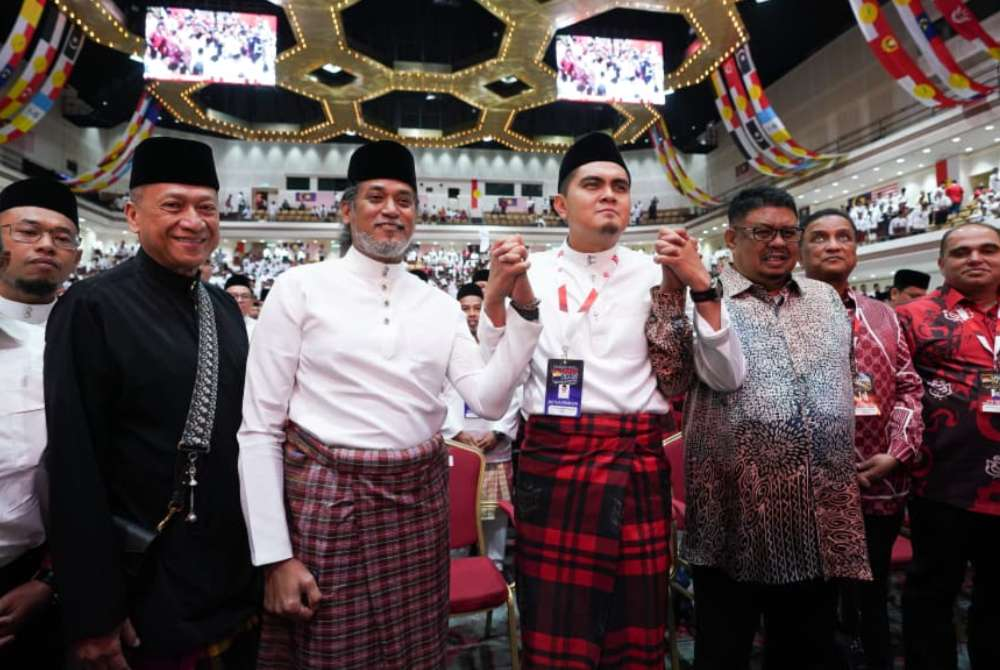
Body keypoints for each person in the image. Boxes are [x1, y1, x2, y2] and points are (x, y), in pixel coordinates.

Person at [238, 140, 542, 670]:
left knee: (415, 656)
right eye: (375, 197)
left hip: (418, 511)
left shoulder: (439, 305)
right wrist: (275, 557)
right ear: (347, 209)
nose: (391, 210)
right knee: (330, 656)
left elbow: (489, 399)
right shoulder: (298, 289)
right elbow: (260, 429)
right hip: (327, 511)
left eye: (404, 200)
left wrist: (523, 311)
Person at [481, 132, 745, 668]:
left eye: (620, 187)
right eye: (593, 184)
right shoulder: (529, 271)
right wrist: (494, 295)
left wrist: (700, 284)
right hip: (554, 467)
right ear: (561, 205)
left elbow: (727, 375)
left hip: (635, 462)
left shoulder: (660, 274)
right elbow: (492, 379)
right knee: (556, 630)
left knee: (636, 627)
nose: (609, 194)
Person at [44, 137, 261, 670]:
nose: (193, 221)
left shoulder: (223, 310)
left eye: (206, 207)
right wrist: (94, 612)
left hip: (231, 575)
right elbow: (74, 466)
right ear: (133, 216)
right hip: (146, 584)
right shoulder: (91, 307)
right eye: (173, 205)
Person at [657, 187, 871, 670]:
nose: (778, 243)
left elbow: (844, 378)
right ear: (732, 238)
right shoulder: (701, 296)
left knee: (808, 650)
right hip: (733, 513)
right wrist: (682, 288)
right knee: (724, 650)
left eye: (788, 233)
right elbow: (670, 377)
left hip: (818, 512)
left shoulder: (824, 298)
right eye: (763, 232)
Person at [799, 209, 924, 670]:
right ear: (800, 250)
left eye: (843, 237)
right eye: (819, 237)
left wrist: (897, 452)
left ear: (856, 247)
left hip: (878, 482)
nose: (833, 245)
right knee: (808, 605)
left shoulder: (884, 316)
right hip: (804, 489)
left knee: (870, 600)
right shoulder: (776, 312)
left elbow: (909, 387)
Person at [896, 222, 1000, 670]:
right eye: (961, 252)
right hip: (942, 482)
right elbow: (893, 390)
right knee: (932, 595)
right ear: (942, 263)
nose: (975, 257)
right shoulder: (912, 316)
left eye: (988, 249)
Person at [0, 178, 82, 668]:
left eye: (62, 236)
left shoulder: (91, 339)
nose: (47, 244)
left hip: (41, 577)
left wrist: (50, 580)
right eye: (28, 232)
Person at [443, 282, 520, 574]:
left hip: (493, 447)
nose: (472, 314)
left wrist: (498, 431)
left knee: (493, 514)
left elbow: (516, 387)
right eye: (465, 309)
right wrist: (454, 432)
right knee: (456, 513)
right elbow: (435, 392)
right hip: (458, 446)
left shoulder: (501, 343)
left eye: (477, 308)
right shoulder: (446, 343)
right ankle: (457, 570)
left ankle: (495, 567)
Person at [224, 273, 257, 340]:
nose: (239, 300)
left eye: (245, 296)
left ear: (252, 301)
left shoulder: (258, 327)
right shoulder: (212, 325)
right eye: (234, 296)